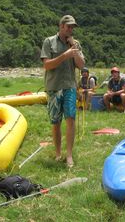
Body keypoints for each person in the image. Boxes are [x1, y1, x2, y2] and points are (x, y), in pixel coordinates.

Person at [40, 15, 85, 168]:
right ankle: (58, 153)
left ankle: (69, 155)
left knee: (70, 119)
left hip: (70, 86)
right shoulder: (49, 42)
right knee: (55, 122)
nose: (71, 30)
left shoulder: (76, 43)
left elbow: (81, 65)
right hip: (53, 87)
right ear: (61, 26)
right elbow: (47, 65)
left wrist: (75, 51)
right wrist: (64, 55)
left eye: (73, 27)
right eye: (69, 27)